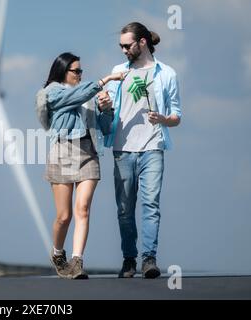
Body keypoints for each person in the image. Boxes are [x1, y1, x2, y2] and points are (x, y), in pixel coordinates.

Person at [98, 22, 182, 278]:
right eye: (121, 46)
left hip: (153, 147)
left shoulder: (166, 73)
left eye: (127, 45)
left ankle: (149, 259)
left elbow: (177, 115)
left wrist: (164, 119)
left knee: (151, 204)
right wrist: (104, 105)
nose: (123, 50)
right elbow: (107, 111)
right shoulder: (117, 72)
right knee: (124, 209)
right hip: (122, 149)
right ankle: (129, 259)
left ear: (142, 42)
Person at [36, 52, 125, 279]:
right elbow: (72, 98)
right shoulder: (51, 92)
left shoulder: (89, 93)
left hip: (88, 152)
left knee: (83, 209)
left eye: (81, 71)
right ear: (63, 71)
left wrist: (106, 109)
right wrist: (105, 80)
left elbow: (104, 127)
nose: (80, 75)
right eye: (76, 71)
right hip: (63, 152)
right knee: (64, 216)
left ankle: (77, 261)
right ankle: (58, 254)